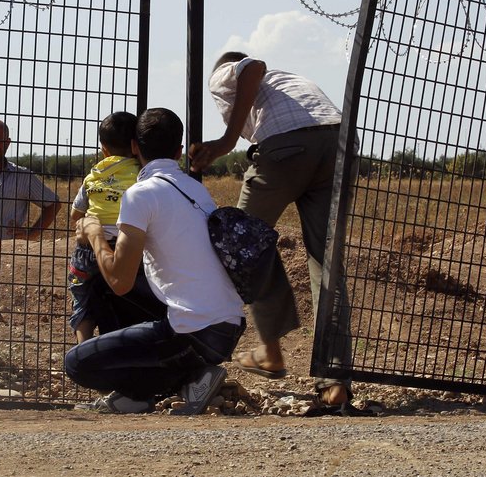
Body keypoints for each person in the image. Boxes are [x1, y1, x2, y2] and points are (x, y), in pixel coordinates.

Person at [188, 51, 358, 412]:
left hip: (286, 146)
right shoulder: (292, 81)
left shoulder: (224, 73)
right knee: (327, 267)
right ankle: (334, 382)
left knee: (241, 243)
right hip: (339, 146)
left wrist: (225, 141)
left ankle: (269, 348)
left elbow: (251, 66)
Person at [64, 108, 245, 415]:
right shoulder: (195, 189)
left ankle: (191, 377)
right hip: (226, 327)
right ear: (178, 150)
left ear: (135, 146)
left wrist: (94, 234)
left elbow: (120, 281)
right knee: (110, 293)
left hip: (193, 332)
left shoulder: (140, 194)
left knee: (77, 363)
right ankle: (142, 393)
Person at [68, 111, 164, 343]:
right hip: (126, 246)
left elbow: (75, 214)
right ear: (135, 145)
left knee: (82, 296)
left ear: (104, 149)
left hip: (89, 249)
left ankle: (84, 349)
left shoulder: (94, 175)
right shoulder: (142, 176)